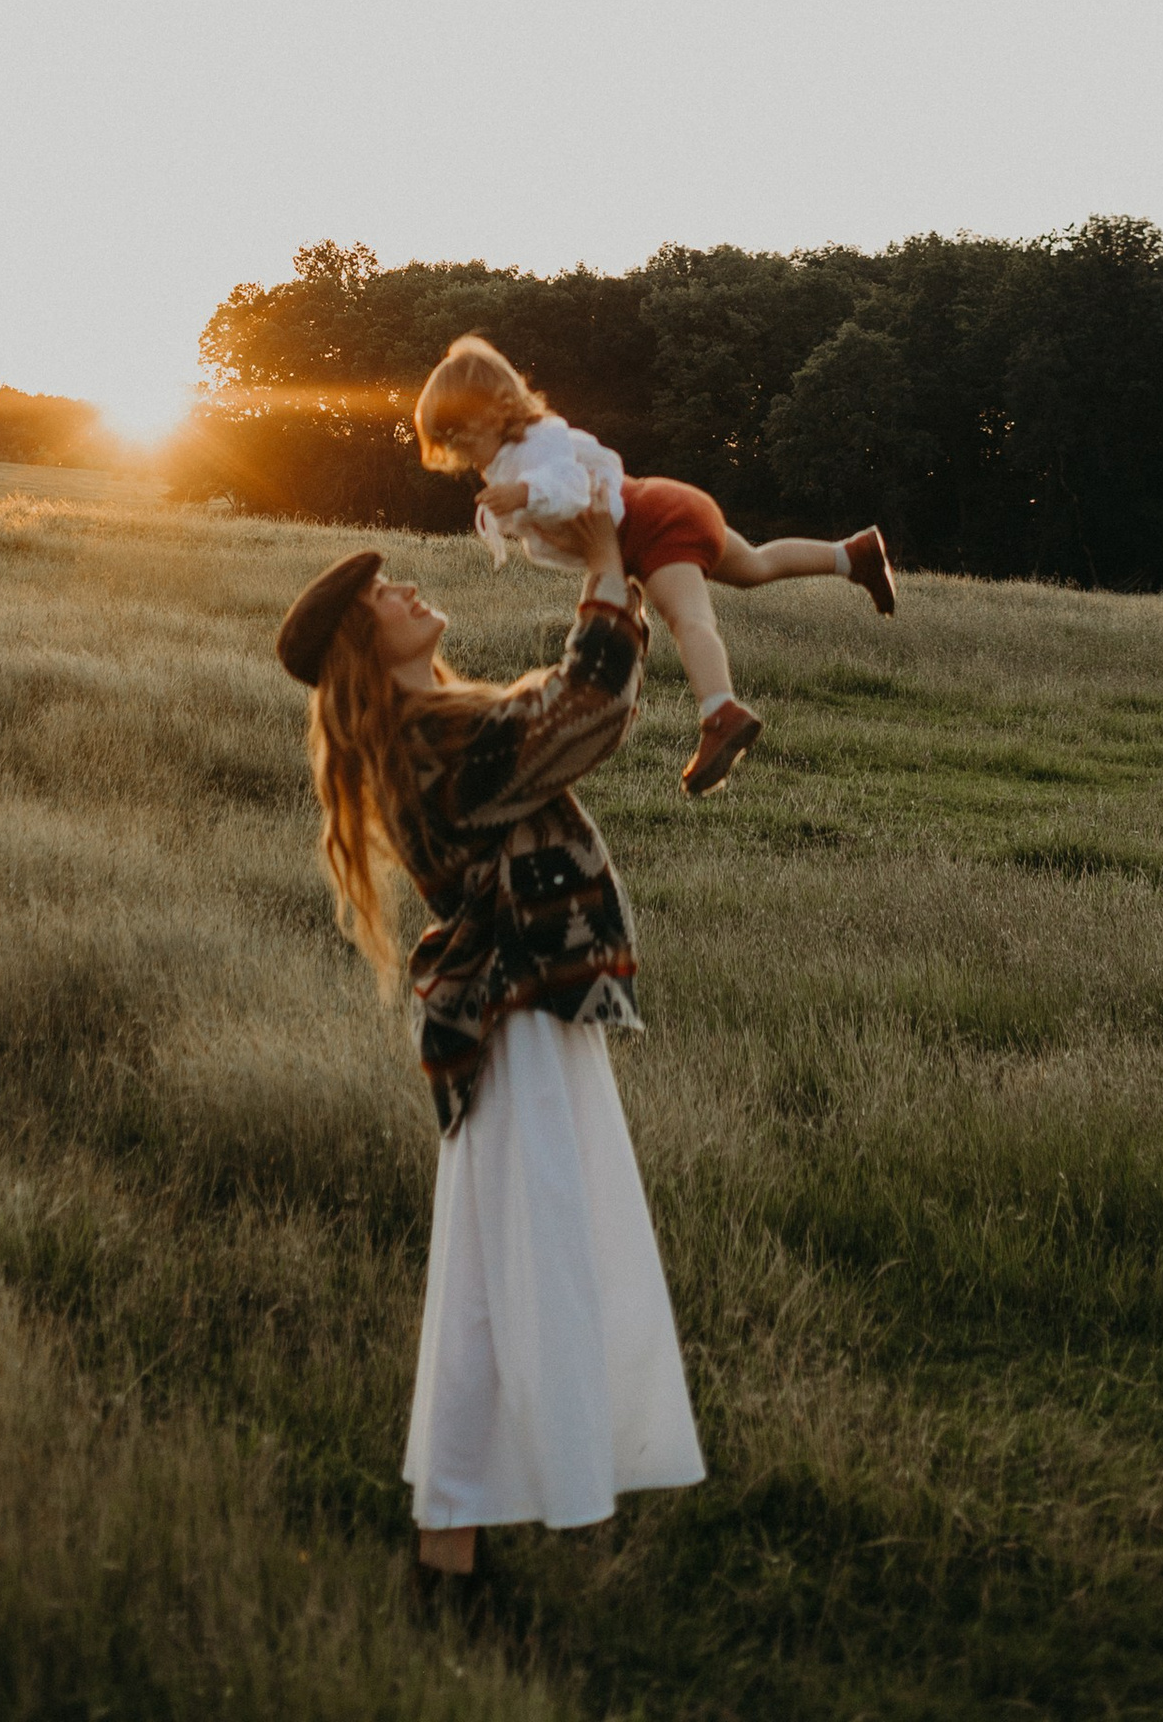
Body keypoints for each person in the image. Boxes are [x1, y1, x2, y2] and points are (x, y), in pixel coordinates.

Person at [275, 510, 704, 1588]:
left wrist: (617, 572)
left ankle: (449, 1553)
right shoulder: (431, 741)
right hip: (515, 1019)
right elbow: (585, 711)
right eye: (389, 598)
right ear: (365, 650)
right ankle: (461, 1544)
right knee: (528, 1268)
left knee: (492, 1276)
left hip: (514, 1018)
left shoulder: (429, 727)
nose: (412, 591)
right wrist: (609, 563)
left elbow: (560, 713)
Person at [412, 333, 897, 798]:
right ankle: (852, 556)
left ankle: (720, 711)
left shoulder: (537, 444)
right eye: (447, 442)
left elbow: (569, 487)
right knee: (754, 564)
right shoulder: (508, 463)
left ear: (497, 409)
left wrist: (523, 494)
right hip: (665, 508)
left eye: (460, 433)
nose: (458, 450)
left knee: (689, 619)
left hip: (654, 524)